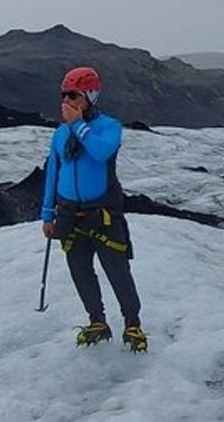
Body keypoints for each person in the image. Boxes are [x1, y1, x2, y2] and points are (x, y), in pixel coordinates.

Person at [41, 66, 147, 351]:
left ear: (90, 95)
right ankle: (97, 320)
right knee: (80, 270)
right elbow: (53, 172)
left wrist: (78, 125)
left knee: (117, 269)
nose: (67, 101)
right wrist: (46, 213)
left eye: (73, 95)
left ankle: (132, 322)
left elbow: (102, 152)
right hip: (67, 213)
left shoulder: (108, 127)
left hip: (102, 213)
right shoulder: (60, 135)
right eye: (64, 95)